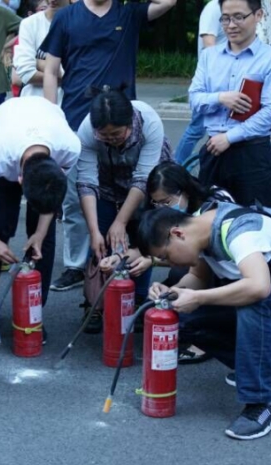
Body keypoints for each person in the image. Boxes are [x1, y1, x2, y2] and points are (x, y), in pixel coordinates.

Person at [137, 205, 271, 440]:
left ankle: (263, 404)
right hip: (269, 305)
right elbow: (197, 278)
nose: (171, 264)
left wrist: (197, 298)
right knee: (180, 315)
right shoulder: (199, 230)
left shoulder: (240, 230)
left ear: (177, 234)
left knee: (251, 299)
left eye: (166, 256)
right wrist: (172, 293)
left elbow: (258, 287)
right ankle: (263, 358)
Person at [41, 0, 176, 293]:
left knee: (135, 197)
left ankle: (131, 273)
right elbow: (51, 71)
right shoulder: (66, 17)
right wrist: (52, 119)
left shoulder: (128, 12)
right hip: (75, 117)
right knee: (76, 198)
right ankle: (77, 266)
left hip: (122, 121)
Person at [0, 97, 80, 348]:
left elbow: (51, 197)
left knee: (44, 240)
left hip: (43, 128)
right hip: (8, 127)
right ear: (20, 180)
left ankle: (33, 312)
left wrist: (40, 234)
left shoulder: (70, 148)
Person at [76, 88, 172, 331]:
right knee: (99, 243)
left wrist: (121, 222)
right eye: (104, 135)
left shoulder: (149, 123)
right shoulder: (87, 129)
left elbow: (143, 178)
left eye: (117, 133)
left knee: (141, 240)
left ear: (129, 123)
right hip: (107, 186)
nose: (111, 139)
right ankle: (94, 303)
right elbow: (86, 181)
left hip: (146, 188)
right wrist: (95, 230)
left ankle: (137, 300)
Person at [188, 0, 271, 207]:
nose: (231, 25)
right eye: (225, 18)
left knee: (253, 218)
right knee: (209, 216)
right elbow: (194, 98)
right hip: (213, 149)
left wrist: (229, 137)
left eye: (238, 17)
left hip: (252, 154)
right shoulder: (209, 56)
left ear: (258, 15)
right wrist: (221, 98)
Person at [174, 0, 227, 165]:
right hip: (211, 80)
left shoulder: (232, 7)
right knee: (197, 129)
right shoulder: (213, 8)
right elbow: (209, 45)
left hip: (225, 79)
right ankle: (176, 166)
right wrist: (219, 75)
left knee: (218, 128)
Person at [12, 0, 68, 100]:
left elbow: (83, 73)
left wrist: (38, 62)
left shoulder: (82, 23)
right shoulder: (29, 24)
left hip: (71, 102)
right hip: (35, 103)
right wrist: (62, 74)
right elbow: (26, 74)